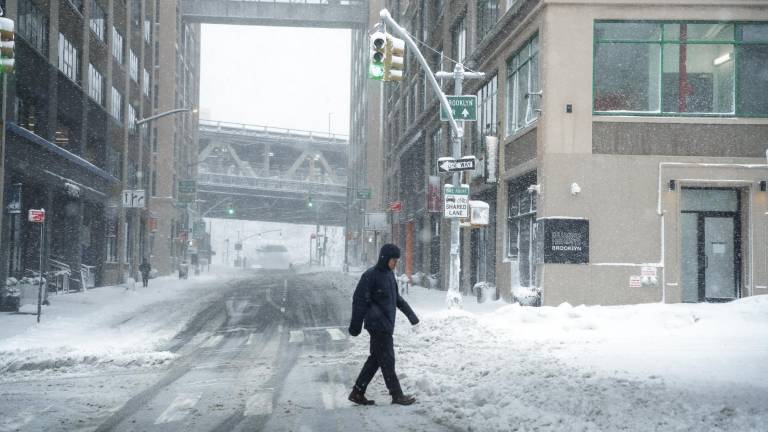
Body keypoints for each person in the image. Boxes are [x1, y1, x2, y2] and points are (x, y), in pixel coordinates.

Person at [348, 244, 419, 406]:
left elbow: (397, 300)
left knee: (376, 359)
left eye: (396, 260)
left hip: (386, 325)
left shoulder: (389, 276)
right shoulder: (370, 276)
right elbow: (359, 301)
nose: (395, 263)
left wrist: (412, 316)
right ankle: (397, 394)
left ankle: (358, 392)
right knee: (388, 360)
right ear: (385, 258)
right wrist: (355, 326)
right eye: (393, 260)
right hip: (377, 325)